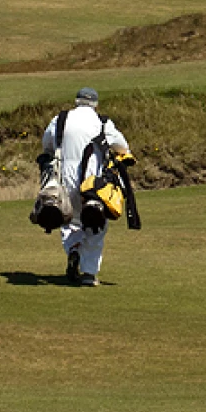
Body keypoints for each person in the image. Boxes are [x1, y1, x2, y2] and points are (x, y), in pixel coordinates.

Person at [40, 87, 131, 287]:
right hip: (93, 185)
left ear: (77, 101)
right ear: (95, 105)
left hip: (63, 182)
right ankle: (89, 273)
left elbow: (46, 144)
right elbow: (122, 146)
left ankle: (73, 249)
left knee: (68, 219)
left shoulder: (61, 119)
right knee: (96, 223)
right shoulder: (103, 123)